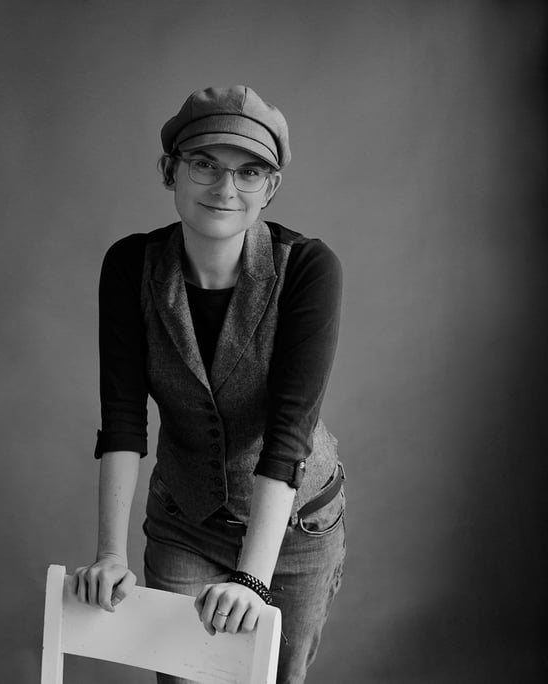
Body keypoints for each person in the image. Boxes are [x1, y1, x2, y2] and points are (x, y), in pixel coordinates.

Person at [73, 86, 346, 684]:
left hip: (294, 530)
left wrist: (253, 580)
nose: (226, 190)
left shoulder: (307, 268)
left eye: (250, 172)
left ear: (270, 187)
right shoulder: (131, 266)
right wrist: (111, 555)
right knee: (184, 677)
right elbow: (122, 417)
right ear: (169, 170)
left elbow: (288, 435)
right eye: (205, 165)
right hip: (183, 522)